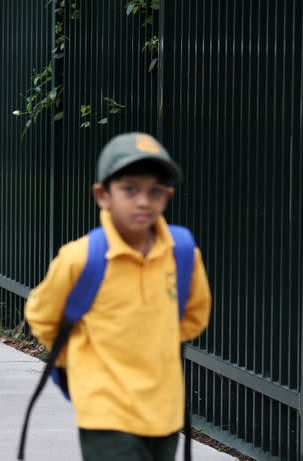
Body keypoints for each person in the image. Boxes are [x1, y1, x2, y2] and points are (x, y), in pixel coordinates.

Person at [24, 132, 212, 461]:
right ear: (103, 195)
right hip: (107, 411)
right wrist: (81, 363)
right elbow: (42, 315)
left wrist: (155, 343)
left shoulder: (181, 252)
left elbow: (194, 314)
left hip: (163, 412)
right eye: (130, 189)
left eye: (155, 191)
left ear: (168, 195)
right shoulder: (81, 258)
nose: (143, 201)